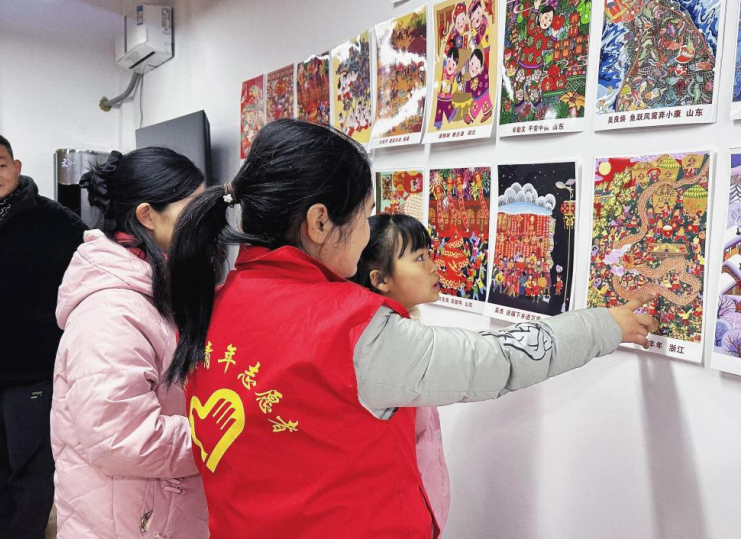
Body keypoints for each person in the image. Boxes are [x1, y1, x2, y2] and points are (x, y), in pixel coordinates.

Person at [163, 119, 656, 538]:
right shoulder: (348, 328)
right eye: (364, 215)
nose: (366, 232)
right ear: (319, 223)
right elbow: (497, 361)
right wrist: (603, 324)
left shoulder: (211, 305)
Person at [51, 148, 209, 538]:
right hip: (129, 523)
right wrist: (220, 436)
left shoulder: (156, 283)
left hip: (153, 511)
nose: (206, 221)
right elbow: (119, 438)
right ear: (147, 215)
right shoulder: (111, 312)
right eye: (194, 208)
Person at [0, 135, 86, 539]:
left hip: (32, 374)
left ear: (16, 167)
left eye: (0, 166)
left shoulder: (55, 222)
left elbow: (90, 274)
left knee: (31, 470)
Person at [350, 213, 451, 532]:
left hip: (417, 498)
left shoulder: (407, 330)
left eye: (429, 254)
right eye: (419, 258)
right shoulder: (378, 347)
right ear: (380, 279)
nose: (433, 267)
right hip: (390, 512)